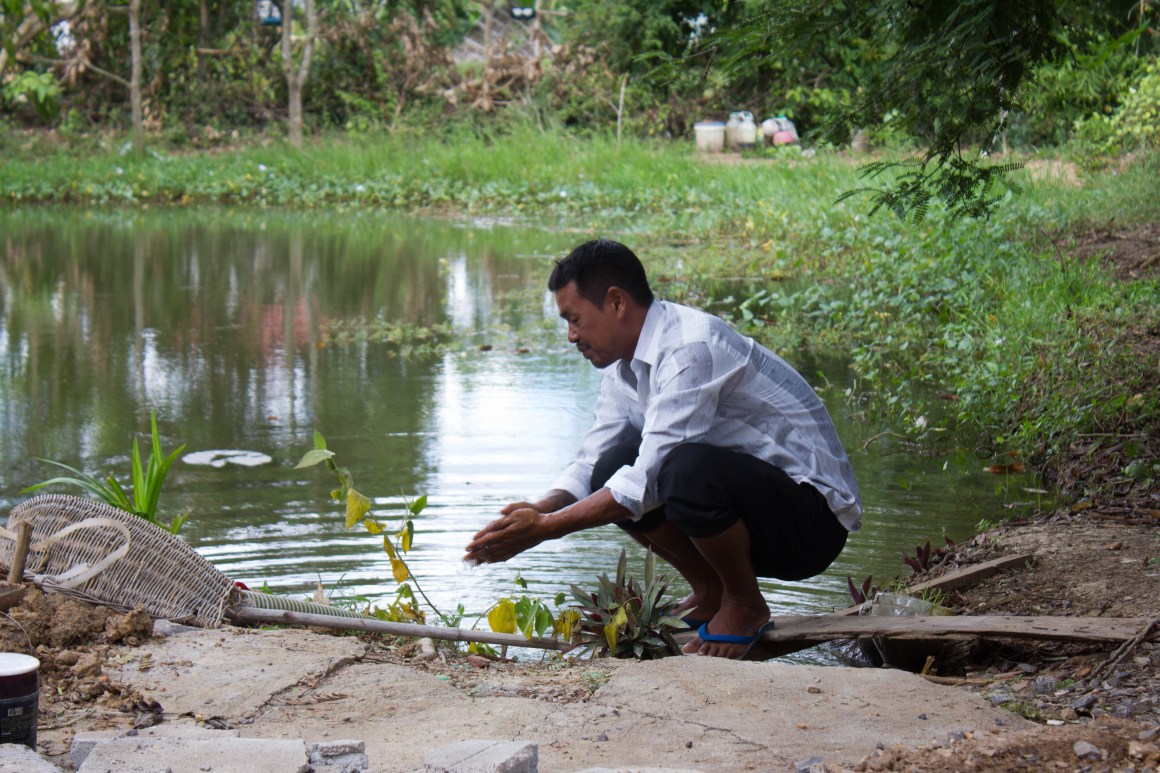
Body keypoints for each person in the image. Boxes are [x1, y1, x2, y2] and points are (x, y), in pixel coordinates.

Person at [464, 239, 861, 659]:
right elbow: (591, 463)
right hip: (758, 511)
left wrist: (548, 529)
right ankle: (711, 591)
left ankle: (744, 605)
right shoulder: (624, 367)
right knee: (611, 466)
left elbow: (647, 481)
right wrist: (542, 509)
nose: (571, 336)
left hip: (813, 523)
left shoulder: (691, 347)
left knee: (682, 469)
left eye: (575, 319)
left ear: (616, 302)